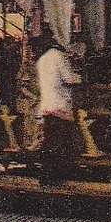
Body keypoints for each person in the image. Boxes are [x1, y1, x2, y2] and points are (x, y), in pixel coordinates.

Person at [35, 32, 82, 185]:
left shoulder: (42, 59)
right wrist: (81, 77)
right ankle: (57, 176)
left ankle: (46, 175)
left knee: (50, 141)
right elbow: (69, 78)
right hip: (60, 105)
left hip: (48, 104)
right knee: (61, 143)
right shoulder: (58, 57)